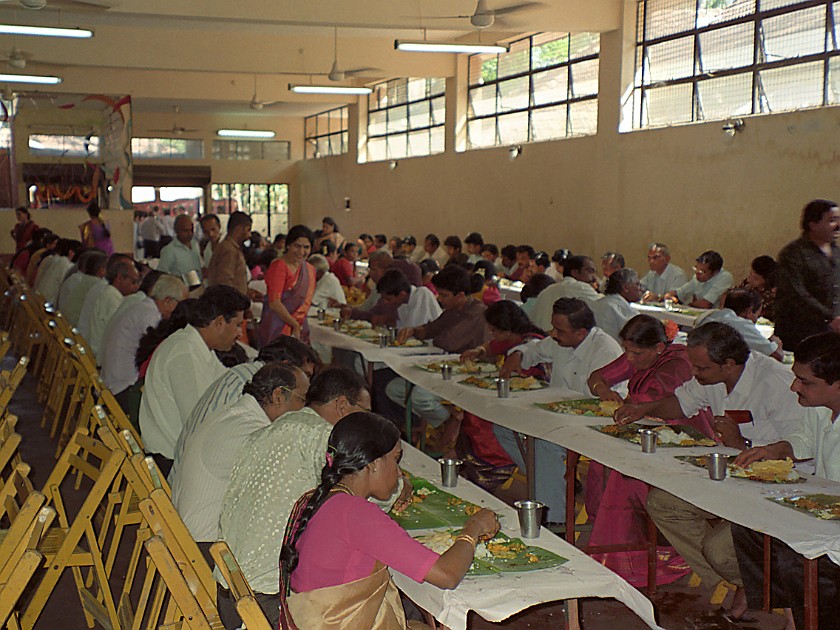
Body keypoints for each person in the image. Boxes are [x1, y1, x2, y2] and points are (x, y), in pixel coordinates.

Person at [611, 323, 803, 598]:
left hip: (778, 488)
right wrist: (643, 409)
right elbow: (681, 402)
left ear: (728, 364)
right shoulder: (712, 378)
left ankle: (765, 593)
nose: (693, 373)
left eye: (701, 368)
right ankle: (729, 588)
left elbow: (798, 450)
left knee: (719, 551)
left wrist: (742, 444)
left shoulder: (776, 384)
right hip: (733, 476)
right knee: (663, 503)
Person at [279, 412, 499, 629]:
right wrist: (474, 528)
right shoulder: (356, 514)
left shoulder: (322, 499)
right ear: (373, 463)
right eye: (396, 460)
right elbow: (447, 575)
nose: (399, 471)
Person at [218, 369, 399, 628]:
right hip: (268, 602)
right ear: (342, 406)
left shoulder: (268, 431)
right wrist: (398, 483)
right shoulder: (323, 438)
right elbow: (375, 499)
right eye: (365, 411)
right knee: (380, 597)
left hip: (229, 591)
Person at [585, 315, 711, 586]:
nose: (629, 359)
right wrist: (603, 389)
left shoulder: (676, 364)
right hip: (646, 437)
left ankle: (640, 557)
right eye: (626, 351)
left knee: (625, 477)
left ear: (659, 348)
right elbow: (596, 377)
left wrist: (628, 403)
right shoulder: (641, 354)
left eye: (635, 353)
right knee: (601, 460)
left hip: (683, 442)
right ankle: (610, 547)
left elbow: (649, 402)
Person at [728, 332, 840, 630]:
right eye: (796, 378)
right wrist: (774, 450)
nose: (794, 387)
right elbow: (803, 438)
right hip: (826, 513)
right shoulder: (820, 407)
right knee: (751, 526)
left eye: (805, 382)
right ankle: (795, 615)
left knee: (797, 557)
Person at [498, 298, 622, 522]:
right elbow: (534, 349)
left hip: (592, 423)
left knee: (543, 443)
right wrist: (518, 355)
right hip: (556, 416)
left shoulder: (605, 350)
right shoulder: (561, 341)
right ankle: (554, 481)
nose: (553, 334)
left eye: (559, 330)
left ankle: (554, 518)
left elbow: (607, 403)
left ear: (581, 332)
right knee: (503, 424)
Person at [172, 364, 309, 547]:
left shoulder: (235, 415)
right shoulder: (251, 430)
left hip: (189, 537)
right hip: (204, 549)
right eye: (302, 400)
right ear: (278, 396)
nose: (304, 411)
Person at [139, 285, 250, 474]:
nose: (240, 333)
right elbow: (198, 421)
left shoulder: (197, 346)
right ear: (219, 322)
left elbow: (229, 383)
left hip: (181, 450)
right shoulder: (183, 353)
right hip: (170, 462)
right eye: (237, 325)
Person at [387, 266, 491, 448]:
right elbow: (432, 329)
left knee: (419, 397)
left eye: (444, 295)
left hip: (472, 373)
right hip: (450, 368)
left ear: (460, 295)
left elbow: (447, 341)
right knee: (394, 389)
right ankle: (448, 419)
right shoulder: (453, 310)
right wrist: (413, 330)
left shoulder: (476, 313)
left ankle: (450, 424)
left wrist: (428, 333)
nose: (439, 299)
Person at [457, 301, 545, 490]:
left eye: (494, 330)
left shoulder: (532, 344)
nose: (491, 334)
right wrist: (478, 350)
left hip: (528, 405)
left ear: (506, 330)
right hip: (510, 400)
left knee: (478, 415)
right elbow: (491, 346)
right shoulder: (511, 339)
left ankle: (493, 467)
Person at [100, 273, 187, 413]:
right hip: (122, 389)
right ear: (168, 301)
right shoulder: (151, 317)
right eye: (181, 304)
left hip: (112, 382)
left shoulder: (142, 307)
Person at [774, 199, 840, 351]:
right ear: (813, 224)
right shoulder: (794, 254)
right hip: (800, 332)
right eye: (832, 220)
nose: (838, 226)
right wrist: (830, 317)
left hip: (832, 333)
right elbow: (796, 294)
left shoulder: (837, 253)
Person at [259, 224, 316, 344]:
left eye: (306, 247)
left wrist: (297, 325)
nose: (301, 251)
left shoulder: (309, 269)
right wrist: (294, 324)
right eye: (297, 246)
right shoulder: (279, 266)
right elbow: (274, 303)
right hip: (277, 326)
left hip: (299, 324)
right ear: (288, 245)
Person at [78, 255, 140, 363]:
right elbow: (119, 333)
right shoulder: (111, 298)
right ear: (119, 278)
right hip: (100, 357)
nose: (136, 287)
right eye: (133, 282)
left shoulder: (111, 293)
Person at [694, 288, 783, 360]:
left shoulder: (710, 316)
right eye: (757, 315)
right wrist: (777, 342)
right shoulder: (742, 325)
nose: (756, 319)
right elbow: (776, 356)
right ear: (749, 312)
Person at [531, 255, 601, 331]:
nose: (594, 277)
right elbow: (604, 306)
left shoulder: (547, 290)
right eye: (590, 271)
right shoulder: (581, 287)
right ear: (575, 272)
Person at [206, 211, 254, 297]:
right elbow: (225, 284)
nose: (249, 235)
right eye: (248, 230)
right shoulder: (229, 250)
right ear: (239, 229)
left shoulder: (229, 247)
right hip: (229, 307)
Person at [665, 250, 733, 309]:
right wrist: (670, 296)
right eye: (696, 268)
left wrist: (688, 305)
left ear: (715, 272)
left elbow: (705, 304)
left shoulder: (724, 278)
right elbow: (681, 291)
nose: (697, 273)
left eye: (702, 272)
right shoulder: (697, 277)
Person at [377, 268, 441, 329]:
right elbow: (404, 326)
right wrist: (389, 321)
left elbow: (416, 327)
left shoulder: (422, 294)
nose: (385, 302)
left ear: (402, 295)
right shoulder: (403, 304)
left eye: (389, 299)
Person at [58, 250, 108, 326]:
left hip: (66, 324)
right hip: (73, 328)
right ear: (101, 270)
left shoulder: (84, 280)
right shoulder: (97, 285)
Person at [589, 268, 642, 340]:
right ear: (625, 287)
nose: (640, 289)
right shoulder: (623, 310)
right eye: (637, 284)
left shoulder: (596, 304)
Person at [157, 214, 203, 284]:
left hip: (199, 287)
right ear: (176, 230)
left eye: (191, 230)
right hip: (182, 291)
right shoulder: (169, 250)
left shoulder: (195, 245)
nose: (190, 233)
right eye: (185, 231)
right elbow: (161, 276)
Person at [33, 238, 80, 304]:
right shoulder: (66, 265)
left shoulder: (55, 259)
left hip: (38, 297)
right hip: (46, 303)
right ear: (71, 252)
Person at [736, 255, 776, 321]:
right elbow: (730, 294)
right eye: (750, 274)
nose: (749, 279)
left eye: (756, 278)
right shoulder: (747, 284)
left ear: (767, 280)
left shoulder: (773, 294)